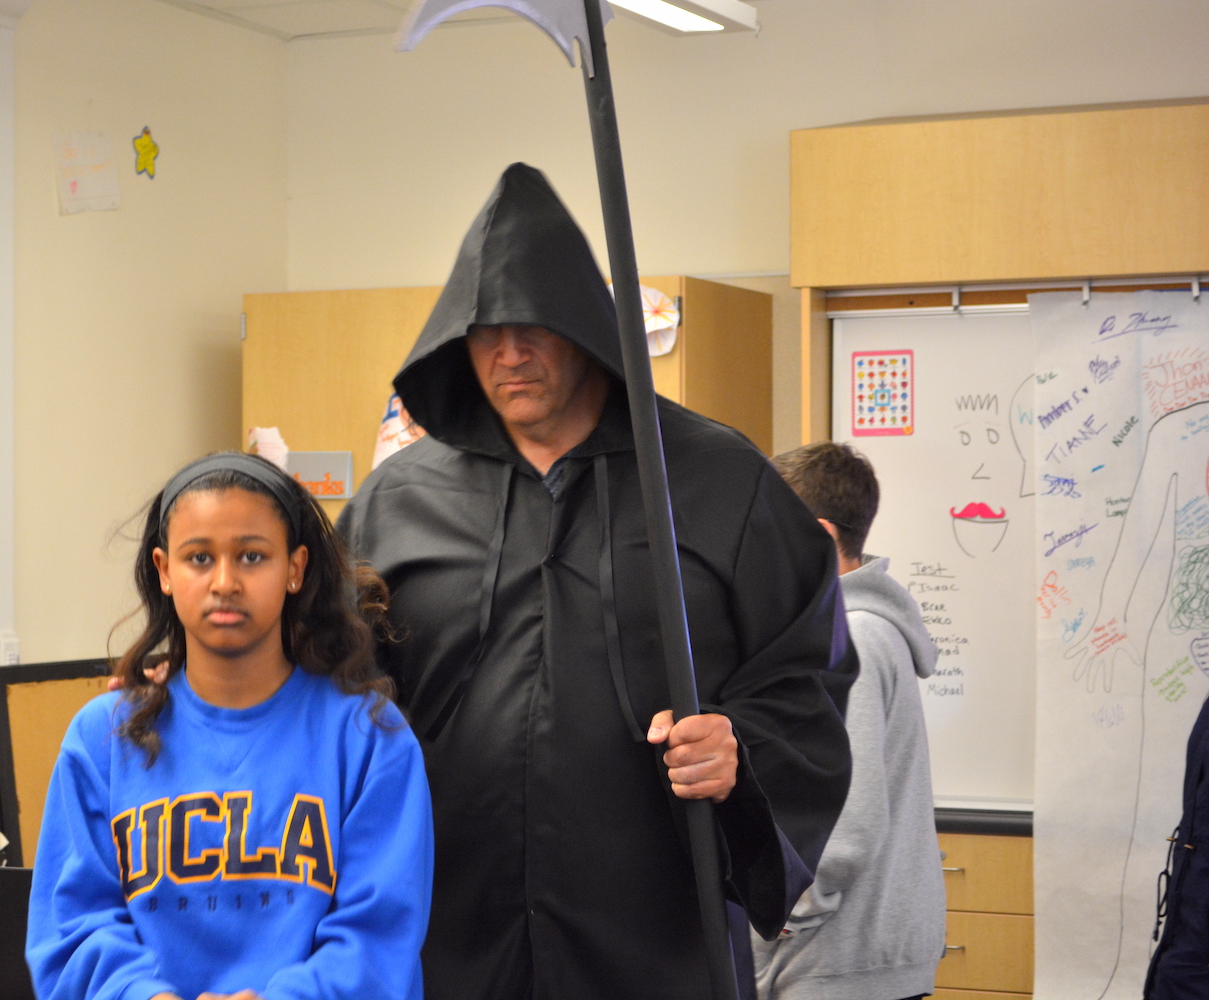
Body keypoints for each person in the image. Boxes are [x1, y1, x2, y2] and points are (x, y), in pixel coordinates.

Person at [336, 162, 858, 1000]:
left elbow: (807, 676)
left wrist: (740, 748)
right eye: (485, 332)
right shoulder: (395, 503)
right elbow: (322, 682)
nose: (509, 355)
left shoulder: (719, 482)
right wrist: (180, 688)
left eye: (532, 327)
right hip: (449, 935)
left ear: (581, 328)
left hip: (655, 942)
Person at [26, 452, 433, 1000]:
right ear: (164, 571)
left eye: (251, 556)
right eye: (199, 558)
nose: (225, 581)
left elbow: (380, 937)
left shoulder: (368, 738)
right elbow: (72, 928)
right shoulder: (102, 737)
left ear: (294, 568)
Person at [753, 441, 945, 1000]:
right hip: (850, 958)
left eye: (766, 531)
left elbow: (847, 820)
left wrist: (782, 907)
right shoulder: (858, 630)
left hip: (839, 962)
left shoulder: (850, 638)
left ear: (817, 536)